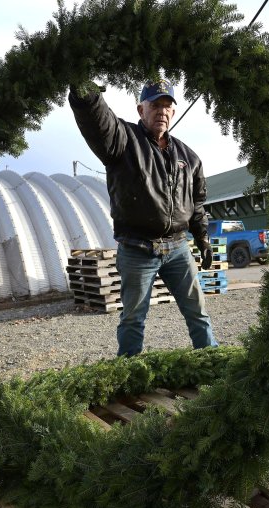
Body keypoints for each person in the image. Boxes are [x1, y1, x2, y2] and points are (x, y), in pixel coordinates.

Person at [69, 78, 218, 356]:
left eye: (167, 106)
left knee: (198, 312)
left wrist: (203, 238)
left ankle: (212, 362)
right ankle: (129, 373)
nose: (162, 111)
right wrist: (86, 97)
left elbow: (197, 204)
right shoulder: (122, 141)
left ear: (173, 112)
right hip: (137, 249)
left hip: (177, 249)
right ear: (141, 110)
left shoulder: (190, 158)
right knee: (133, 318)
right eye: (155, 105)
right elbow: (100, 122)